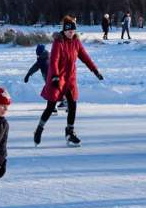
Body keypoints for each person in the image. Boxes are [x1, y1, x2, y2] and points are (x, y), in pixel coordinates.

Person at [35, 17, 103, 147]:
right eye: (68, 31)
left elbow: (85, 57)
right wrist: (55, 76)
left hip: (70, 78)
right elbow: (54, 60)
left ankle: (70, 133)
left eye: (73, 30)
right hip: (57, 78)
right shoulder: (58, 42)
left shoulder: (76, 42)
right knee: (50, 107)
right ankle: (39, 129)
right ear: (64, 31)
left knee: (73, 105)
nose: (71, 33)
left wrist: (95, 70)